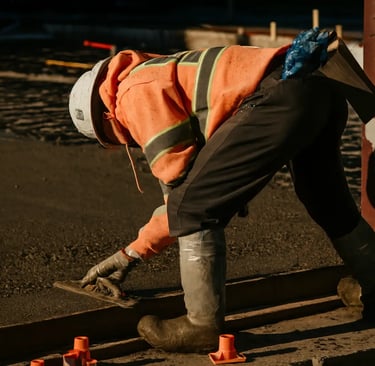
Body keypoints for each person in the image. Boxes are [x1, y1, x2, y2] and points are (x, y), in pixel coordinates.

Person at [69, 28, 375, 353]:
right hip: (318, 88)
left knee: (192, 208)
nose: (125, 142)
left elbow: (182, 200)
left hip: (280, 95)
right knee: (326, 199)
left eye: (112, 139)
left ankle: (201, 326)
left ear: (106, 117)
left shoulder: (133, 94)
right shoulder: (158, 72)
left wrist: (131, 254)